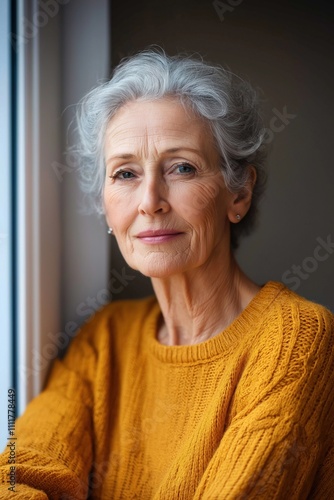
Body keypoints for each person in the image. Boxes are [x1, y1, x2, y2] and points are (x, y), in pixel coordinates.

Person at [1, 49, 333, 499]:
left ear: (238, 193)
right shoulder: (105, 339)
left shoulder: (295, 339)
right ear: (104, 204)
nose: (150, 200)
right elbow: (20, 476)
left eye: (182, 167)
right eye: (125, 173)